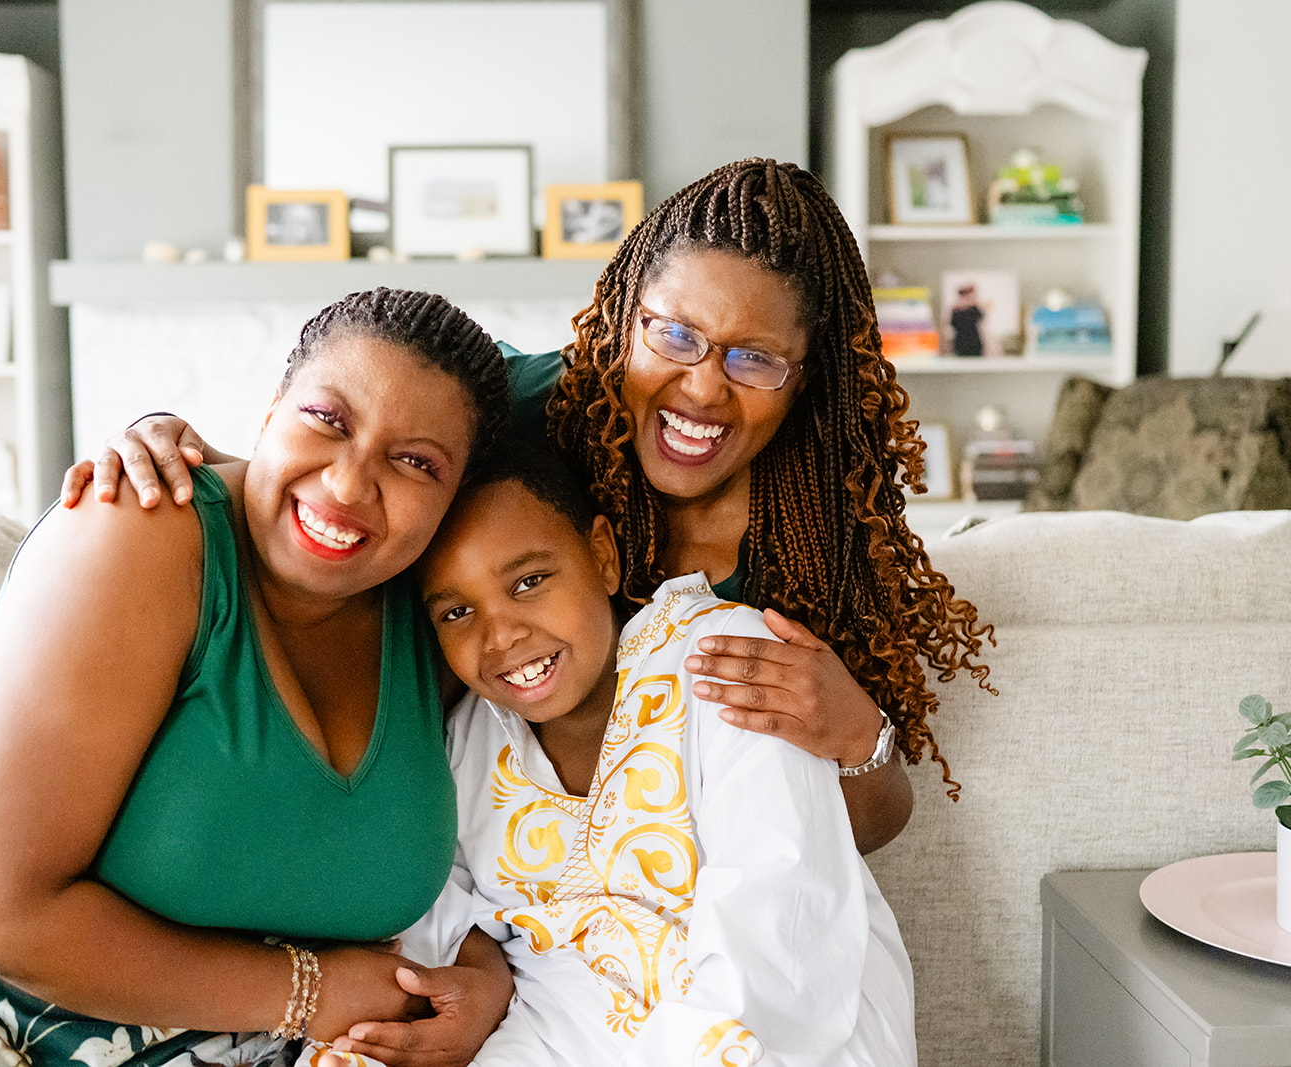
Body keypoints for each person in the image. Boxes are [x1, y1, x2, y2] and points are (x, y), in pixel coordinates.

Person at [64, 157, 996, 846]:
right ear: (627, 311)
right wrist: (166, 439)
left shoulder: (820, 534)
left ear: (805, 378)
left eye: (754, 358)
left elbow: (860, 827)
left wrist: (861, 734)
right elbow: (328, 478)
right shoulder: (526, 407)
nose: (703, 390)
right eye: (673, 333)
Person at [0, 289, 519, 1067]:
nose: (347, 485)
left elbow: (522, 859)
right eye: (326, 419)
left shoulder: (445, 622)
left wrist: (483, 980)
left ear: (457, 495)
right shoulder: (143, 528)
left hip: (211, 1037)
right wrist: (309, 992)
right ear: (272, 405)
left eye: (416, 462)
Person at [317, 444, 916, 1066]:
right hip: (555, 1031)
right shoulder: (466, 737)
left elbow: (780, 928)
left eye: (529, 582)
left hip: (758, 1030)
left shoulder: (722, 662)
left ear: (601, 556)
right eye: (457, 611)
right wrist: (476, 980)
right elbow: (447, 911)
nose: (501, 636)